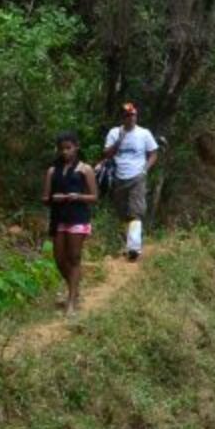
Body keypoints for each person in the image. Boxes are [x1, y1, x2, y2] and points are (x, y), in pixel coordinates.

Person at [43, 131, 97, 315]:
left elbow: (94, 197)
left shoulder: (85, 169)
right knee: (59, 259)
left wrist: (78, 196)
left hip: (78, 217)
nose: (65, 152)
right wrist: (53, 198)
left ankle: (71, 302)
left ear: (76, 147)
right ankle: (74, 289)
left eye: (68, 148)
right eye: (61, 149)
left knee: (74, 257)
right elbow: (45, 198)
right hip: (59, 218)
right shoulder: (52, 170)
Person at [101, 102, 159, 261]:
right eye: (127, 115)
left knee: (136, 211)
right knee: (122, 213)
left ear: (136, 115)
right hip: (119, 177)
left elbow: (154, 152)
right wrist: (118, 142)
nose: (131, 118)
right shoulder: (114, 132)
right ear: (123, 117)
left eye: (133, 114)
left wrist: (145, 169)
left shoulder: (144, 133)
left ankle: (134, 249)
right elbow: (106, 153)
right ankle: (127, 244)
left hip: (137, 176)